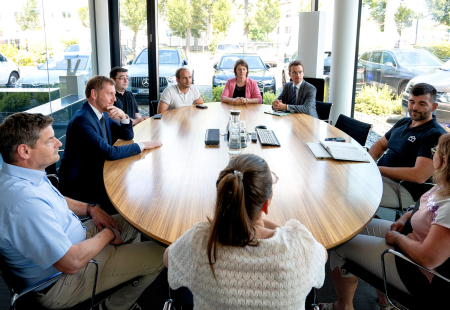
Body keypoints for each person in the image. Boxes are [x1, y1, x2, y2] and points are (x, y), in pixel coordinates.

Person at [0, 112, 165, 310]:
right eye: (50, 140)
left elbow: (56, 201)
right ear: (24, 151)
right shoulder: (24, 203)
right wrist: (108, 234)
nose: (58, 144)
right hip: (61, 282)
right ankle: (114, 306)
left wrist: (91, 209)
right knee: (160, 255)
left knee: (137, 221)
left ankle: (123, 267)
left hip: (78, 238)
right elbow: (71, 262)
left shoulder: (23, 175)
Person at [164, 154, 327, 309]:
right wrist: (280, 230)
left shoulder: (200, 240)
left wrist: (223, 220)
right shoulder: (298, 245)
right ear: (266, 205)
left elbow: (168, 258)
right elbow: (323, 256)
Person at [320, 133, 450, 310]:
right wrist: (404, 218)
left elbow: (428, 259)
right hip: (409, 238)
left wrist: (397, 238)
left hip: (419, 272)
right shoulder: (444, 183)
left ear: (442, 161)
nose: (432, 154)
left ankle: (343, 307)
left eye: (434, 151)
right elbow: (421, 206)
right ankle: (384, 300)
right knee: (349, 230)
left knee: (341, 246)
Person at [58, 75, 162, 214]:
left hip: (98, 172)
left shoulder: (102, 114)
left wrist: (124, 116)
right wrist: (142, 145)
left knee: (135, 188)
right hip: (81, 183)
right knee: (132, 198)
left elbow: (126, 136)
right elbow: (110, 152)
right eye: (110, 94)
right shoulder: (82, 120)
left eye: (114, 94)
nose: (114, 99)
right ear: (94, 94)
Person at [369, 83, 446, 209]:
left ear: (434, 106)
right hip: (380, 177)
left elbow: (419, 175)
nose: (414, 107)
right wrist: (369, 163)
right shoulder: (404, 122)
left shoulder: (435, 135)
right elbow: (380, 144)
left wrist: (376, 169)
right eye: (411, 102)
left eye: (422, 103)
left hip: (403, 190)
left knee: (353, 192)